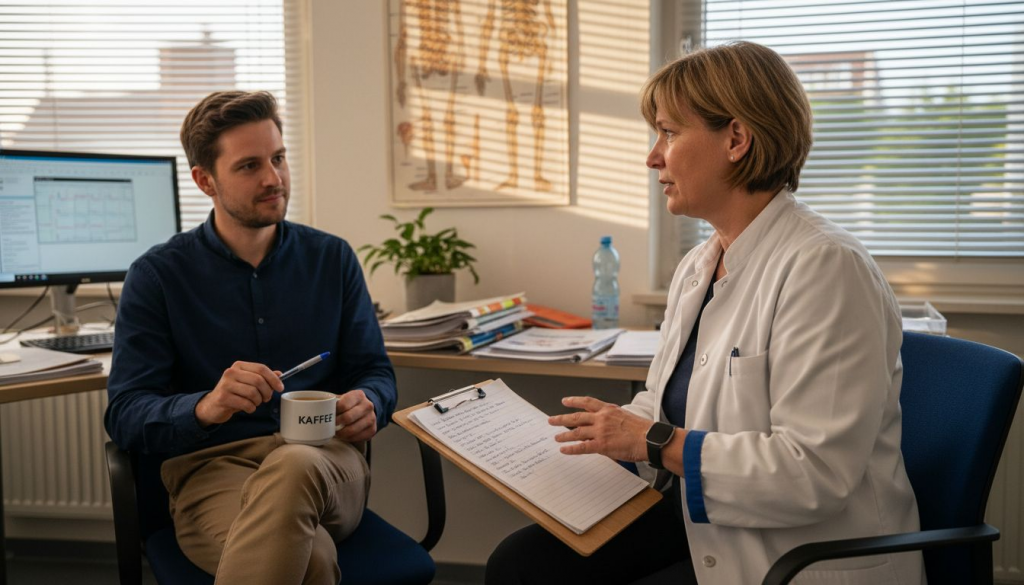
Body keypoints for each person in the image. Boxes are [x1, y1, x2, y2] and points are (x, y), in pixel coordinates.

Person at [486, 42, 925, 585]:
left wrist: (650, 441)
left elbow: (815, 474)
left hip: (793, 551)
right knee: (522, 565)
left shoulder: (826, 267)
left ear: (736, 140)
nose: (653, 157)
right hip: (710, 521)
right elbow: (664, 402)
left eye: (668, 133)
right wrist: (587, 443)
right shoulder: (701, 262)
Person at [104, 91, 396, 585]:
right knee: (314, 559)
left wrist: (372, 401)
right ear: (205, 180)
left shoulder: (333, 259)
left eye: (279, 158)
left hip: (327, 464)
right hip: (211, 472)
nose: (273, 179)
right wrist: (206, 407)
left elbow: (375, 371)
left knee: (295, 464)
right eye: (249, 166)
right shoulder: (157, 276)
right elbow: (126, 414)